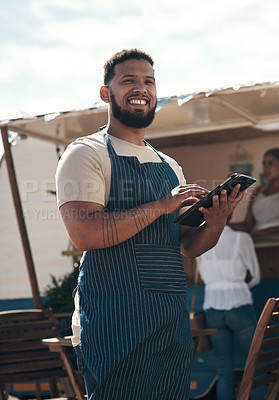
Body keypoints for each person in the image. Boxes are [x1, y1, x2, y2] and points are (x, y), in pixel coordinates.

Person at [55, 49, 245, 400]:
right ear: (105, 93)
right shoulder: (85, 153)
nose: (140, 88)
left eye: (149, 81)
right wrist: (161, 205)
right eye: (128, 80)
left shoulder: (169, 165)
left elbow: (186, 246)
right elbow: (85, 234)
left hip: (170, 320)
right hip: (114, 321)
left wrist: (216, 223)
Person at [197, 213, 261, 400]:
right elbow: (255, 276)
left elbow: (201, 273)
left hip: (212, 307)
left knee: (224, 368)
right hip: (238, 303)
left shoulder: (199, 239)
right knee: (255, 365)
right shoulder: (241, 238)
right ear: (232, 213)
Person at [229, 148, 279, 236]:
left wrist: (268, 231)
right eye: (264, 164)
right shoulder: (258, 191)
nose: (266, 168)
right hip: (257, 243)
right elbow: (247, 226)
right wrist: (222, 224)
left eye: (271, 163)